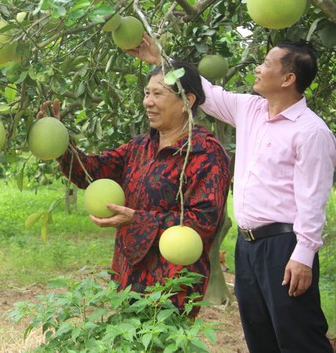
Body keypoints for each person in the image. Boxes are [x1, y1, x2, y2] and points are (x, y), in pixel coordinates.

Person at [129, 35, 336, 352]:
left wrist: (303, 256)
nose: (257, 68)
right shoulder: (250, 109)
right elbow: (205, 92)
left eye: (266, 63)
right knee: (260, 334)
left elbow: (313, 198)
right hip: (247, 245)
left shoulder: (311, 131)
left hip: (284, 245)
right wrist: (161, 60)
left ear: (288, 78)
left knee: (298, 337)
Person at [40, 62, 231, 318]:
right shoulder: (140, 147)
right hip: (129, 269)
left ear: (188, 100)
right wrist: (58, 139)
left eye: (158, 94)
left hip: (173, 279)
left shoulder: (204, 152)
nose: (148, 102)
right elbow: (92, 172)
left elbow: (204, 221)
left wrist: (137, 219)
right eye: (146, 93)